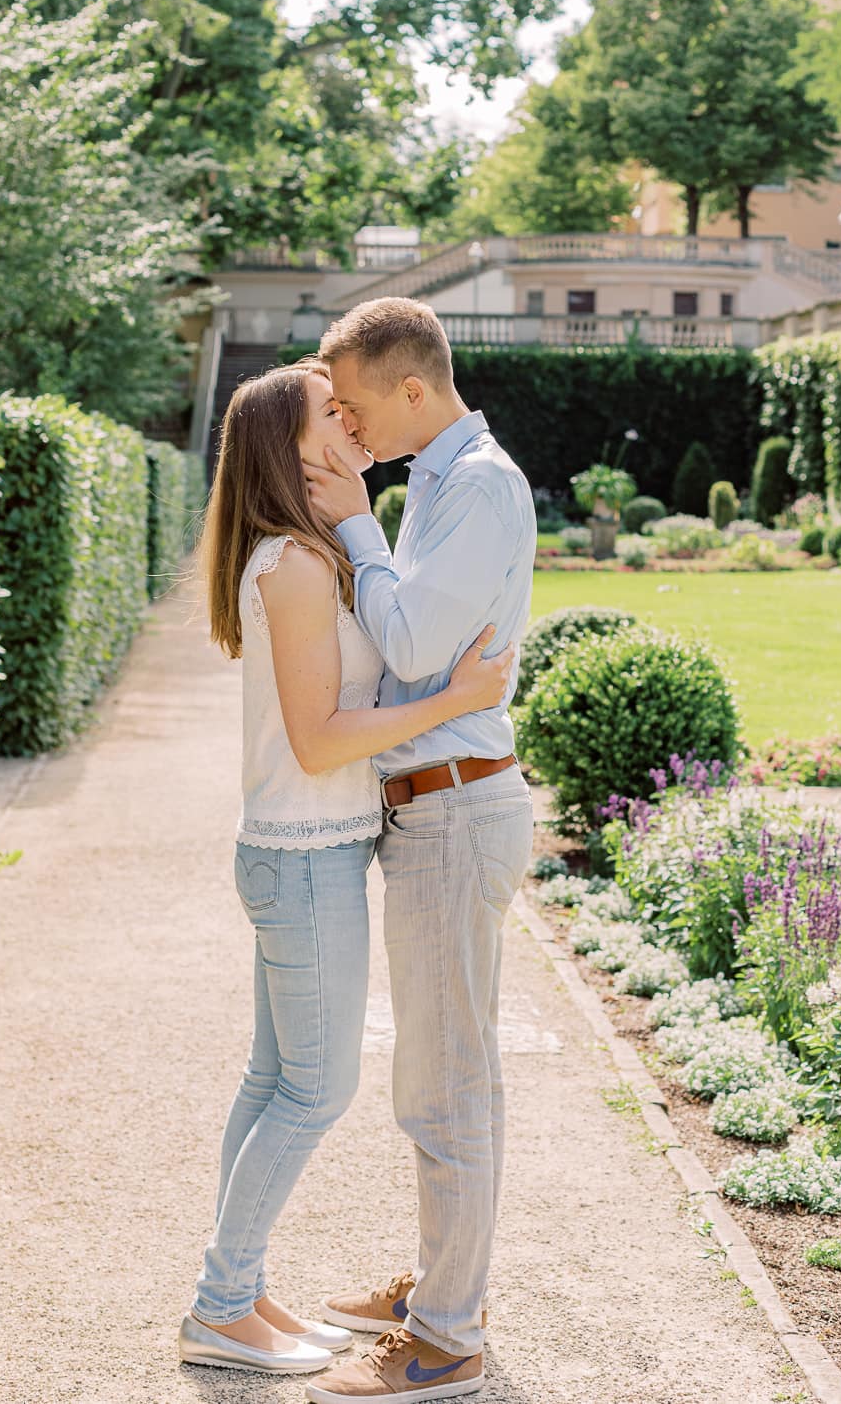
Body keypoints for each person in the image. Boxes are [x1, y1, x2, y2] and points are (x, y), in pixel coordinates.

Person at [178, 360, 513, 1378]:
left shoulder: (308, 553)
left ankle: (237, 1296)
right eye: (333, 413)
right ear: (294, 448)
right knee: (315, 1091)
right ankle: (220, 1305)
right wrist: (454, 698)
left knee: (274, 1078)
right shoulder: (292, 564)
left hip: (305, 853)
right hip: (304, 856)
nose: (352, 419)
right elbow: (324, 743)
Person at [301, 300, 536, 1404]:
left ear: (410, 389)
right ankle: (443, 1290)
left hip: (454, 807)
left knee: (446, 1087)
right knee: (442, 1075)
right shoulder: (443, 480)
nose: (343, 425)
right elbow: (417, 659)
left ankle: (446, 1340)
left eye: (350, 403)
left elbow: (407, 640)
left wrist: (352, 522)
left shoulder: (477, 484)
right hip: (436, 805)